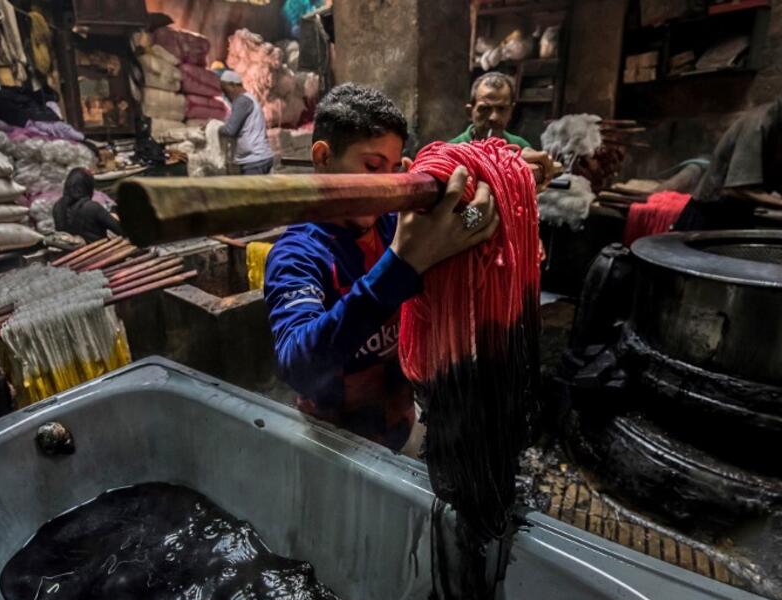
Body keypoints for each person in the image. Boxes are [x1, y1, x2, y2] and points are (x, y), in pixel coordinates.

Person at [264, 83, 500, 451]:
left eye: (393, 169)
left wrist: (497, 184)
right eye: (372, 166)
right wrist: (401, 266)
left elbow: (458, 228)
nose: (387, 186)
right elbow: (298, 365)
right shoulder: (298, 255)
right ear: (323, 157)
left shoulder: (392, 225)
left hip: (403, 424)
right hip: (334, 444)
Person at [673, 48, 782, 232]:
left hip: (740, 216)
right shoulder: (761, 122)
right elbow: (737, 189)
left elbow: (779, 179)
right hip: (708, 218)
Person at [450, 71, 556, 184]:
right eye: (485, 108)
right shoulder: (452, 149)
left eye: (502, 109)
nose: (494, 117)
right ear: (470, 111)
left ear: (511, 111)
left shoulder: (520, 146)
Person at [219, 70, 276, 175]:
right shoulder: (248, 99)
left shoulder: (242, 101)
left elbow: (230, 130)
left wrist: (215, 127)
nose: (225, 95)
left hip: (254, 161)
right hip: (260, 158)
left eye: (225, 91)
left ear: (232, 85)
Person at [52, 168, 122, 242]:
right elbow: (121, 231)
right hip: (99, 250)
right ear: (88, 186)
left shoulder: (58, 207)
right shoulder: (92, 207)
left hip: (72, 251)